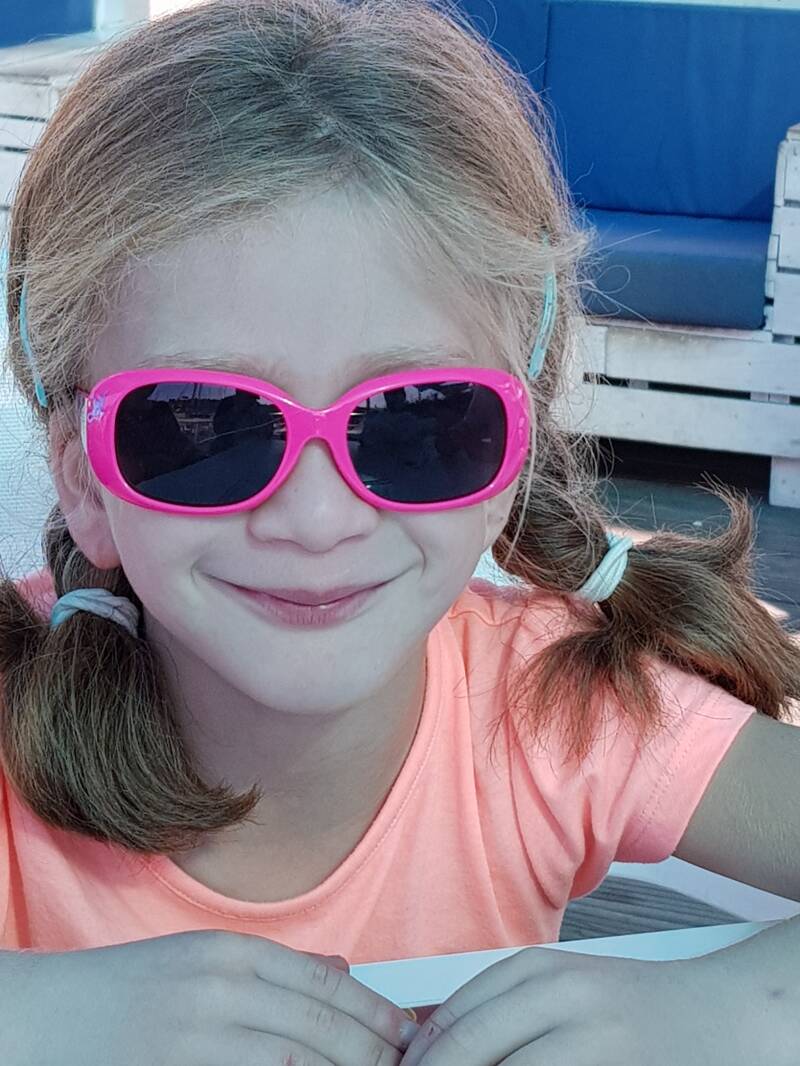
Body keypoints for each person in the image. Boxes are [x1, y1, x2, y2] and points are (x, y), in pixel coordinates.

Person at [1, 2, 799, 1064]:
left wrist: (738, 1007)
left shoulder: (557, 708)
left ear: (511, 455)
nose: (316, 519)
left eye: (416, 422)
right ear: (83, 476)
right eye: (205, 426)